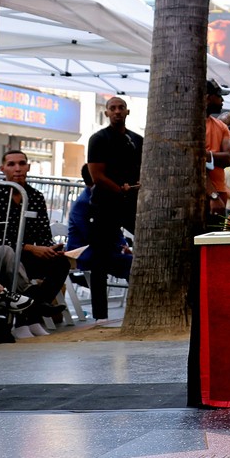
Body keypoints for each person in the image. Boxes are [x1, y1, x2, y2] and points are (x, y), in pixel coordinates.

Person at [0, 150, 70, 339]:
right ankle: (30, 317)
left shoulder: (36, 196)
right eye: (11, 164)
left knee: (61, 263)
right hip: (7, 254)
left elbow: (44, 234)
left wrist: (51, 248)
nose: (17, 168)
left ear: (28, 167)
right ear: (3, 169)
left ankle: (31, 316)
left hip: (29, 254)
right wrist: (29, 247)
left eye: (22, 163)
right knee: (14, 260)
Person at [87, 96, 144, 322]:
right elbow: (97, 176)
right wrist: (121, 190)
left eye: (121, 108)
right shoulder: (98, 139)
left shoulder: (137, 140)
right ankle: (100, 316)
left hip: (131, 204)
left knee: (149, 246)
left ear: (127, 112)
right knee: (99, 258)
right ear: (106, 113)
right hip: (105, 205)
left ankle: (141, 305)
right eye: (113, 108)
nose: (117, 111)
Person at [66, 165, 132, 279]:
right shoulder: (84, 202)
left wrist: (123, 246)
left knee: (131, 262)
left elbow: (112, 229)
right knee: (131, 264)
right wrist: (120, 248)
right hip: (83, 253)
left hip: (98, 250)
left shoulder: (96, 197)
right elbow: (92, 236)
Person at [205, 79, 230, 224]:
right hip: (205, 197)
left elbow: (228, 159)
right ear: (207, 97)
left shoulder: (221, 126)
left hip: (219, 196)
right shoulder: (190, 127)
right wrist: (212, 196)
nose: (222, 100)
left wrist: (206, 156)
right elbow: (195, 166)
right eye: (218, 95)